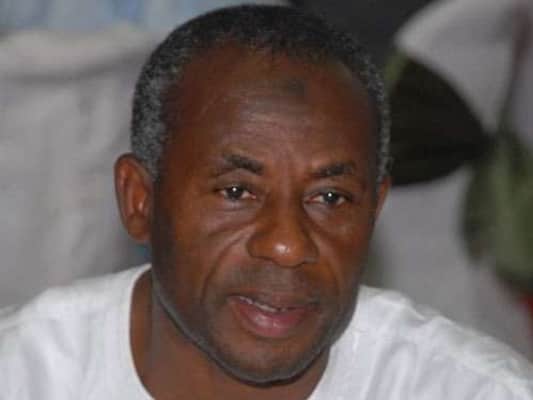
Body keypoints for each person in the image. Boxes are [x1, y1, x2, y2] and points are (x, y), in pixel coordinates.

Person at [0, 5, 531, 399]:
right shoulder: (26, 376)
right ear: (140, 200)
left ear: (374, 210)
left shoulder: (469, 390)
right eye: (236, 192)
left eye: (330, 197)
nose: (286, 245)